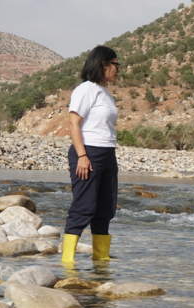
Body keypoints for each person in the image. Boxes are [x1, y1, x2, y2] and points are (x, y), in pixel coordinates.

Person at [61, 45, 120, 264]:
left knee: (105, 209)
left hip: (107, 153)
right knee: (84, 207)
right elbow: (74, 123)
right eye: (115, 64)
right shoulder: (85, 89)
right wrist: (82, 156)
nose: (118, 69)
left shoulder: (106, 93)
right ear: (103, 64)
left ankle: (101, 261)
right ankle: (68, 262)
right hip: (88, 152)